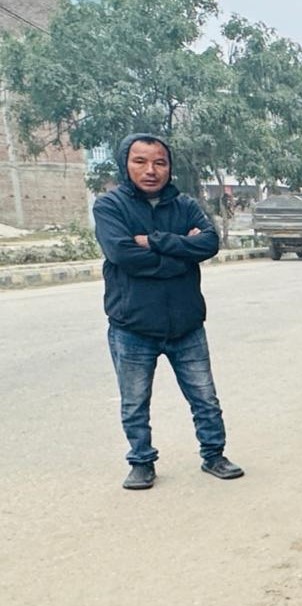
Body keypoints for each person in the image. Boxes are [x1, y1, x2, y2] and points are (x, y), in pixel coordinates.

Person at [91, 134, 245, 489]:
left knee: (205, 397)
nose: (151, 170)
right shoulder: (110, 206)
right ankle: (141, 462)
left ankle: (214, 455)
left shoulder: (186, 205)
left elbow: (208, 243)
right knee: (134, 401)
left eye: (160, 162)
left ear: (169, 167)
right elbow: (123, 255)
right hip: (133, 326)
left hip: (186, 325)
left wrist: (155, 241)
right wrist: (180, 254)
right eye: (140, 161)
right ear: (125, 164)